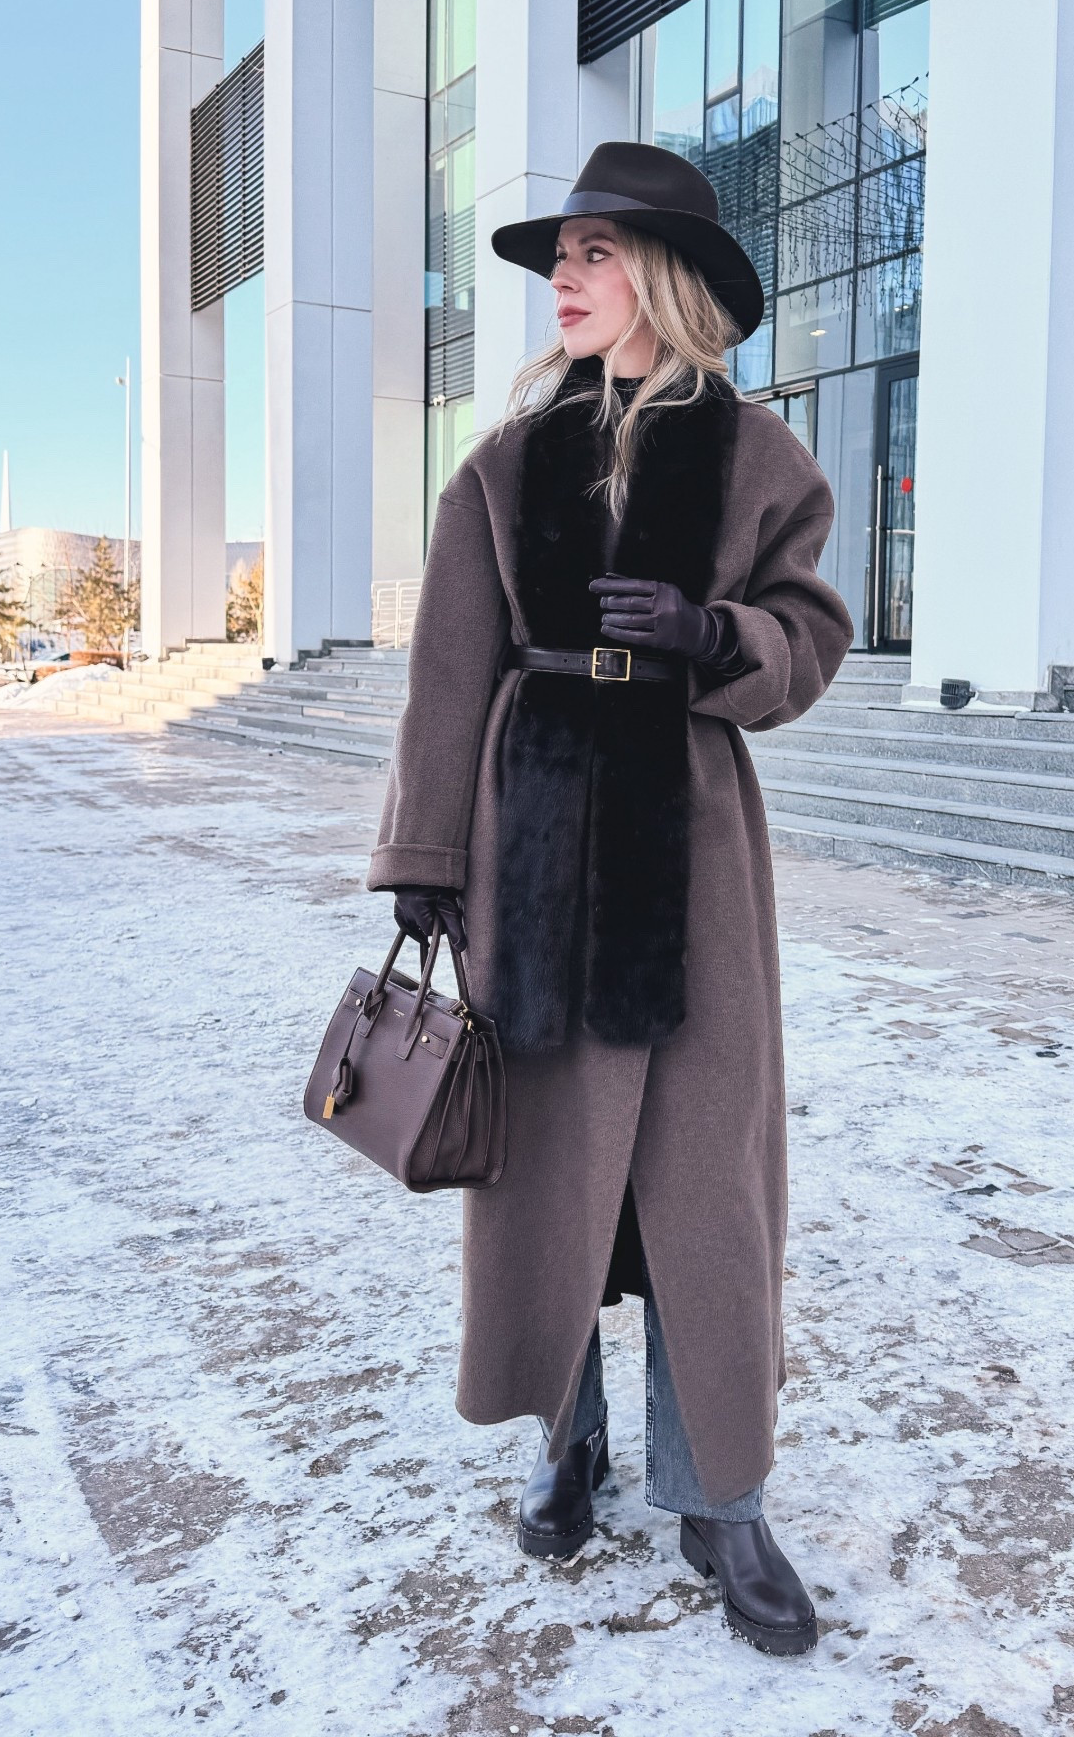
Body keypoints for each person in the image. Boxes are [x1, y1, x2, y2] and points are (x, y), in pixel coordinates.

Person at [368, 140, 853, 1656]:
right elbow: (449, 676)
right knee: (551, 1169)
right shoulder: (505, 468)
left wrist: (718, 633)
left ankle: (723, 1497)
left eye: (589, 254)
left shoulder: (764, 459)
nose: (561, 282)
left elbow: (814, 635)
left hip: (694, 854)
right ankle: (564, 1439)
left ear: (665, 278)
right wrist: (427, 861)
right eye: (558, 258)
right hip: (534, 840)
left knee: (705, 1184)